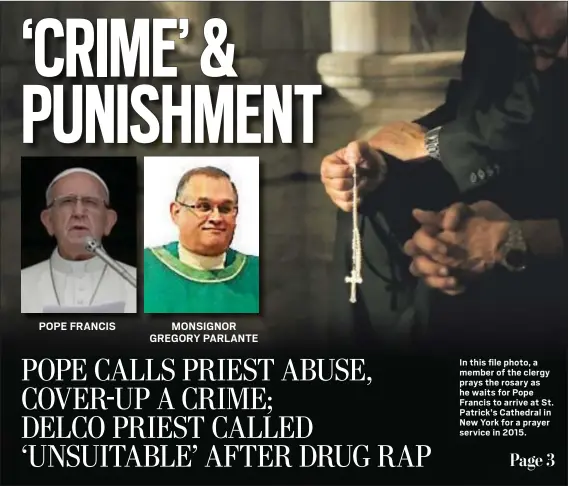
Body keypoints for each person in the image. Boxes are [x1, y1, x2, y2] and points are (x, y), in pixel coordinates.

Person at [320, 1, 567, 347]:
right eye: (526, 46)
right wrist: (398, 149)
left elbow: (529, 115)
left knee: (448, 263)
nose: (543, 66)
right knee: (372, 195)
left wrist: (513, 239)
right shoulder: (503, 14)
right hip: (522, 168)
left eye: (552, 43)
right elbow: (477, 103)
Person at [143, 166, 259, 314]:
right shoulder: (143, 269)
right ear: (176, 212)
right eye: (204, 207)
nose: (216, 218)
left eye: (225, 209)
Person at [21, 168, 137, 314]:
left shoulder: (138, 284)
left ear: (108, 221)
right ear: (49, 221)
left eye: (90, 202)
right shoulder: (20, 285)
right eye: (67, 201)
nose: (78, 212)